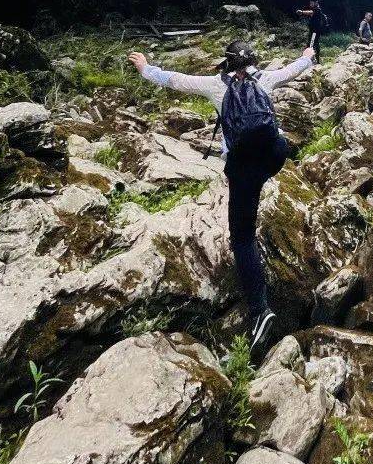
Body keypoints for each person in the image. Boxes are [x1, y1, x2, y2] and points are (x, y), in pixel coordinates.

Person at [127, 39, 315, 354]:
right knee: (260, 174)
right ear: (253, 61)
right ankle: (258, 188)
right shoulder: (264, 78)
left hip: (243, 166)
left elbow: (174, 79)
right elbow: (291, 71)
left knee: (241, 237)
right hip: (275, 154)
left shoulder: (216, 85)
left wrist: (145, 68)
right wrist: (307, 57)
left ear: (226, 63)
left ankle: (260, 312)